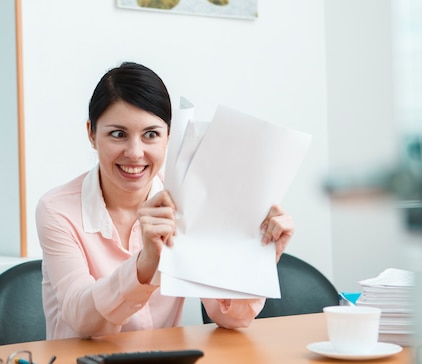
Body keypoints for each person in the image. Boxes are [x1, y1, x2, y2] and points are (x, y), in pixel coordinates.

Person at [36, 62, 295, 340]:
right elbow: (82, 320)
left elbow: (229, 317)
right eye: (118, 134)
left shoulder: (186, 199)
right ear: (91, 133)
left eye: (151, 135)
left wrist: (258, 256)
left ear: (168, 136)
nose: (135, 153)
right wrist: (144, 265)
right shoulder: (57, 210)